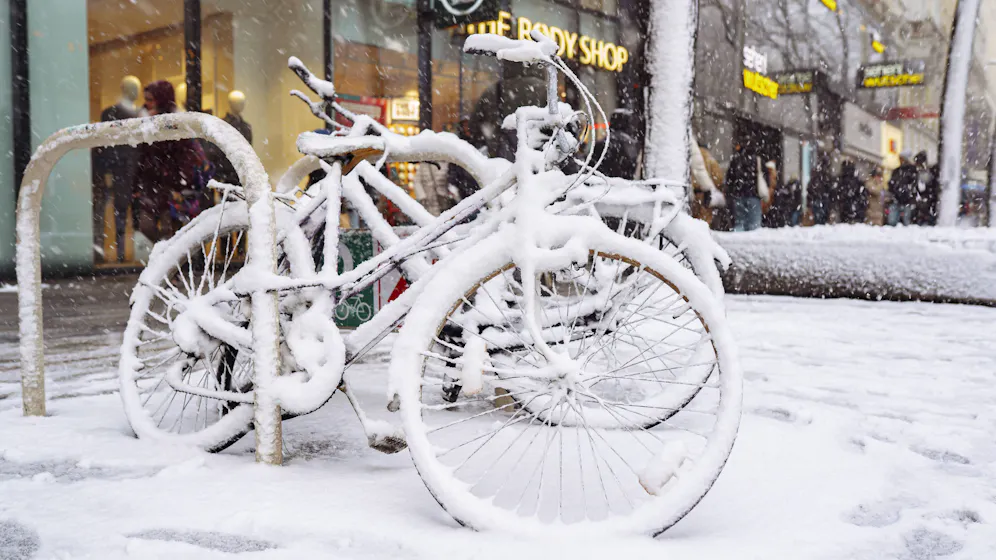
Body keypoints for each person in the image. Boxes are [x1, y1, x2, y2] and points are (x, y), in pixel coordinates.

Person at [134, 81, 213, 242]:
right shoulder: (143, 123)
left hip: (171, 187)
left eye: (150, 99)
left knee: (168, 229)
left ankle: (167, 254)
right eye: (146, 99)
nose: (147, 103)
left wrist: (179, 185)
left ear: (161, 100)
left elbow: (185, 157)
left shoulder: (176, 123)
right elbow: (141, 157)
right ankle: (164, 252)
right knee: (146, 226)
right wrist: (136, 184)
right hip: (151, 185)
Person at [724, 142, 763, 231]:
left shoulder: (736, 159)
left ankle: (738, 238)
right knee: (754, 225)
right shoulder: (757, 160)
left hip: (738, 195)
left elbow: (729, 178)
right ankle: (753, 240)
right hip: (754, 195)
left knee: (740, 222)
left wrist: (732, 192)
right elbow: (765, 177)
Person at [688, 130, 726, 223]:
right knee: (705, 220)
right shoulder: (710, 159)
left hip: (692, 193)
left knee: (691, 219)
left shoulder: (690, 155)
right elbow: (718, 177)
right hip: (705, 193)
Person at [888, 150, 918, 226]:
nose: (900, 160)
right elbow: (891, 184)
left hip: (907, 200)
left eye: (901, 159)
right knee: (892, 222)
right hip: (897, 199)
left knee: (906, 222)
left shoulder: (912, 170)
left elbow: (914, 185)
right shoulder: (896, 171)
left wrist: (906, 191)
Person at [808, 154, 834, 225]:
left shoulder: (816, 173)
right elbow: (831, 189)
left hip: (817, 198)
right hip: (823, 198)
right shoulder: (826, 174)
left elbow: (810, 188)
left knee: (818, 219)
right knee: (823, 219)